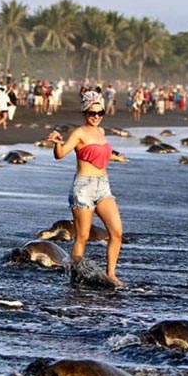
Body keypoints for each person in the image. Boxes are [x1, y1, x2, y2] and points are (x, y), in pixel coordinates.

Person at [47, 91, 124, 287]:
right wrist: (57, 143)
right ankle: (75, 276)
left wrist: (115, 157)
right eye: (92, 113)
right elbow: (61, 154)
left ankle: (111, 275)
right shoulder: (79, 133)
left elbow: (98, 155)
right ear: (85, 112)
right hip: (83, 188)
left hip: (103, 186)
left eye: (100, 113)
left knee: (116, 233)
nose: (96, 116)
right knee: (82, 236)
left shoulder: (101, 132)